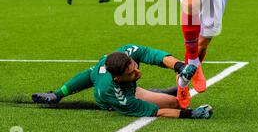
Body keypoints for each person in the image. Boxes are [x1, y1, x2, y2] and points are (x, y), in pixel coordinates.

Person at [32, 44, 213, 119]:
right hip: (116, 100)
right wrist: (191, 114)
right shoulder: (114, 93)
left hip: (128, 88)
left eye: (134, 65)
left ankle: (154, 92)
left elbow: (154, 55)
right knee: (175, 104)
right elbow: (157, 112)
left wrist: (179, 66)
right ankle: (155, 93)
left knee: (162, 95)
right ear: (118, 78)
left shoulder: (126, 52)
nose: (137, 71)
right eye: (131, 73)